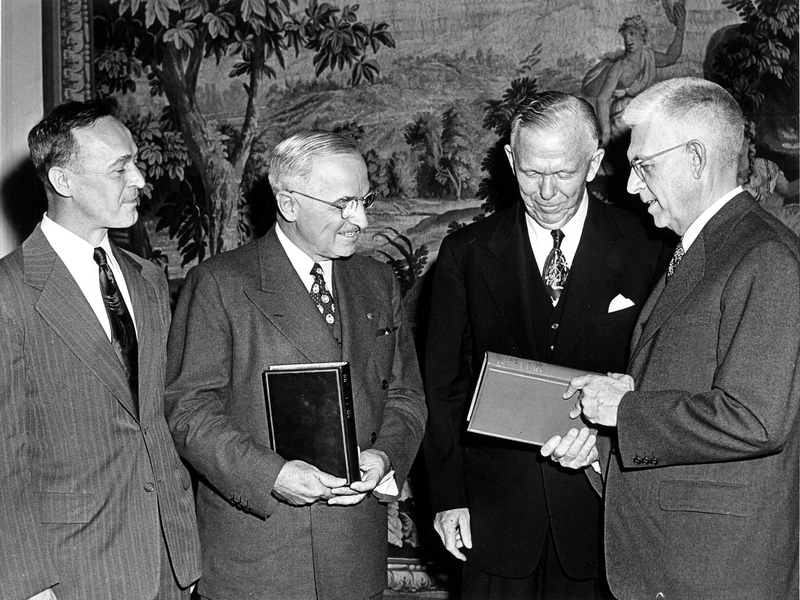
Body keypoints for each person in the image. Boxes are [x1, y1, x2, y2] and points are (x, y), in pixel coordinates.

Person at [544, 77, 800, 599]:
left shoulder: (765, 257)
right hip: (673, 564)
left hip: (716, 574)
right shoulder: (700, 251)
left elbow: (755, 419)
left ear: (696, 158)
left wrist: (625, 411)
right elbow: (684, 401)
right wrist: (601, 450)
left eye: (643, 166)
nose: (631, 187)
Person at [423, 91, 669, 599]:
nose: (548, 191)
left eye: (563, 173)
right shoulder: (465, 254)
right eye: (532, 173)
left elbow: (661, 376)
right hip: (492, 518)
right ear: (512, 161)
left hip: (601, 511)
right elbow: (440, 386)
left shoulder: (648, 247)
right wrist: (447, 498)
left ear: (596, 162)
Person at [165, 130, 427, 600]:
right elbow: (189, 411)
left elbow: (405, 397)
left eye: (364, 200)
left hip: (354, 558)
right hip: (261, 562)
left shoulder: (376, 280)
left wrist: (384, 456)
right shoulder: (220, 284)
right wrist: (273, 476)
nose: (360, 220)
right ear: (288, 203)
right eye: (342, 203)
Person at [0, 101, 202, 599]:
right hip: (73, 575)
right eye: (119, 168)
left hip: (169, 564)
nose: (139, 179)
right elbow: (6, 452)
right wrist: (28, 586)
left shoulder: (147, 278)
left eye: (134, 162)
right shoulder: (10, 292)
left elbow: (157, 415)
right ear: (64, 181)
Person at [582, 4, 686, 147]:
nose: (628, 40)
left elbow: (672, 57)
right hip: (621, 116)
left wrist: (680, 28)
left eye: (632, 34)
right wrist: (605, 133)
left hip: (642, 110)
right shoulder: (619, 66)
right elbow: (602, 98)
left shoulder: (648, 56)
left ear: (642, 36)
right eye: (625, 36)